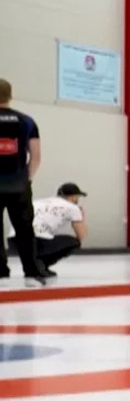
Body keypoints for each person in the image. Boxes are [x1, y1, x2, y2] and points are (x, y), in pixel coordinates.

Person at [0, 77, 47, 284]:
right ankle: (32, 270)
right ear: (10, 96)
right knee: (25, 229)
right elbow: (36, 156)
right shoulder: (27, 121)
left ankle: (0, 269)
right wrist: (25, 179)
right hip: (18, 184)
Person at [31, 183, 87, 273]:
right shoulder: (73, 207)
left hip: (15, 241)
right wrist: (82, 218)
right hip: (37, 241)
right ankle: (41, 265)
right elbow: (82, 236)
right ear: (73, 197)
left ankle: (34, 266)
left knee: (46, 236)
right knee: (74, 242)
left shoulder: (38, 202)